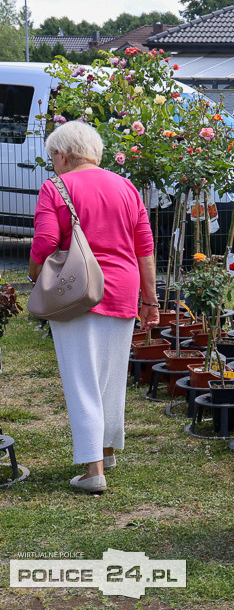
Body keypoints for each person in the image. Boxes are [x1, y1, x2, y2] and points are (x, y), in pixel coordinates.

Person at [28, 121, 158, 494]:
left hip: (76, 290)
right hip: (122, 288)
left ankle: (93, 469)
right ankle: (105, 450)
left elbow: (46, 240)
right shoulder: (126, 186)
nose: (53, 163)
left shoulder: (56, 186)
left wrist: (36, 271)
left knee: (81, 377)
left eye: (53, 156)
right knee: (110, 375)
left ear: (63, 154)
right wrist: (149, 300)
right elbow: (145, 249)